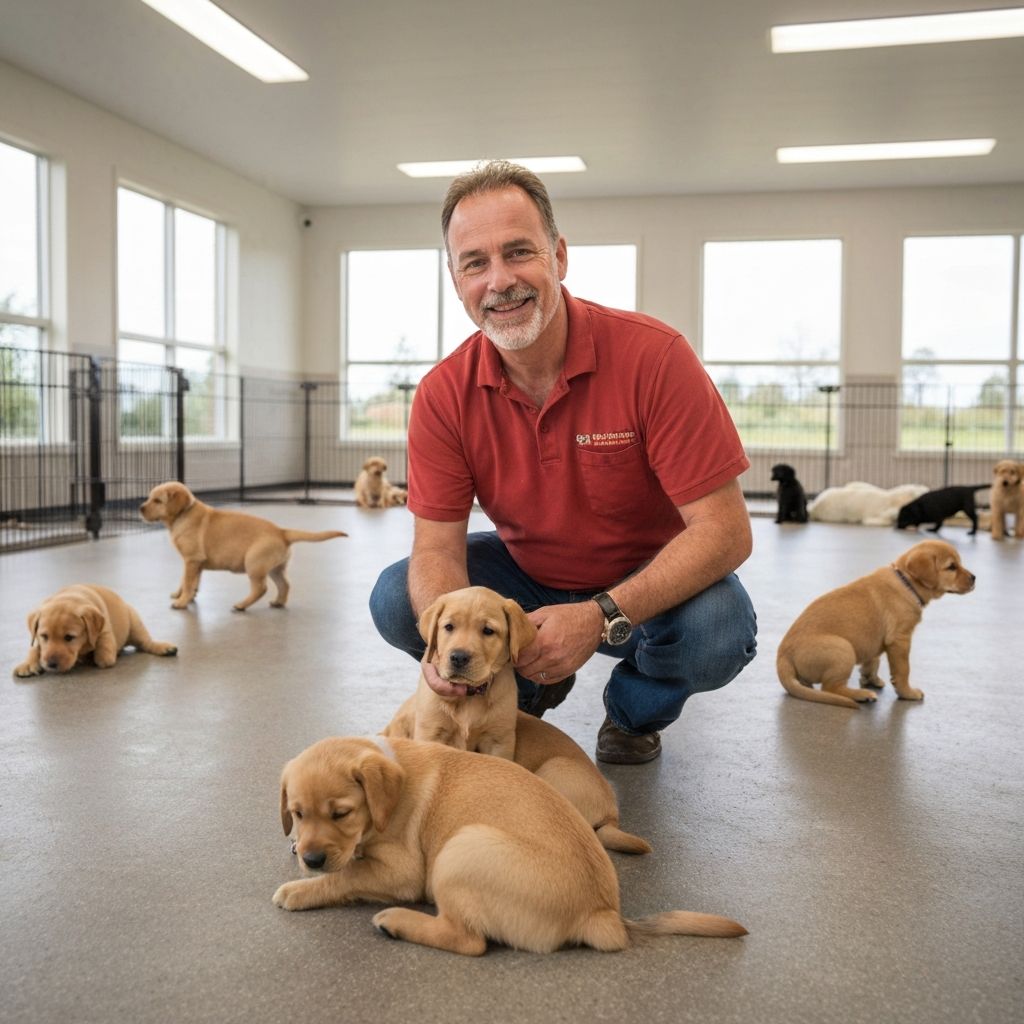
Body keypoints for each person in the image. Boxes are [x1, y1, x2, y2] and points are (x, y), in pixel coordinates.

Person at [369, 160, 756, 764]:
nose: (499, 281)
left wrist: (599, 616)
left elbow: (726, 532)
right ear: (456, 279)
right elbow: (437, 550)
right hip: (526, 574)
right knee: (400, 598)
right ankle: (528, 682)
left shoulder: (655, 358)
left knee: (718, 633)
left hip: (644, 581)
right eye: (475, 262)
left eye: (519, 252)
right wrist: (442, 659)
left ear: (559, 257)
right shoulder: (445, 392)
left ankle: (631, 715)